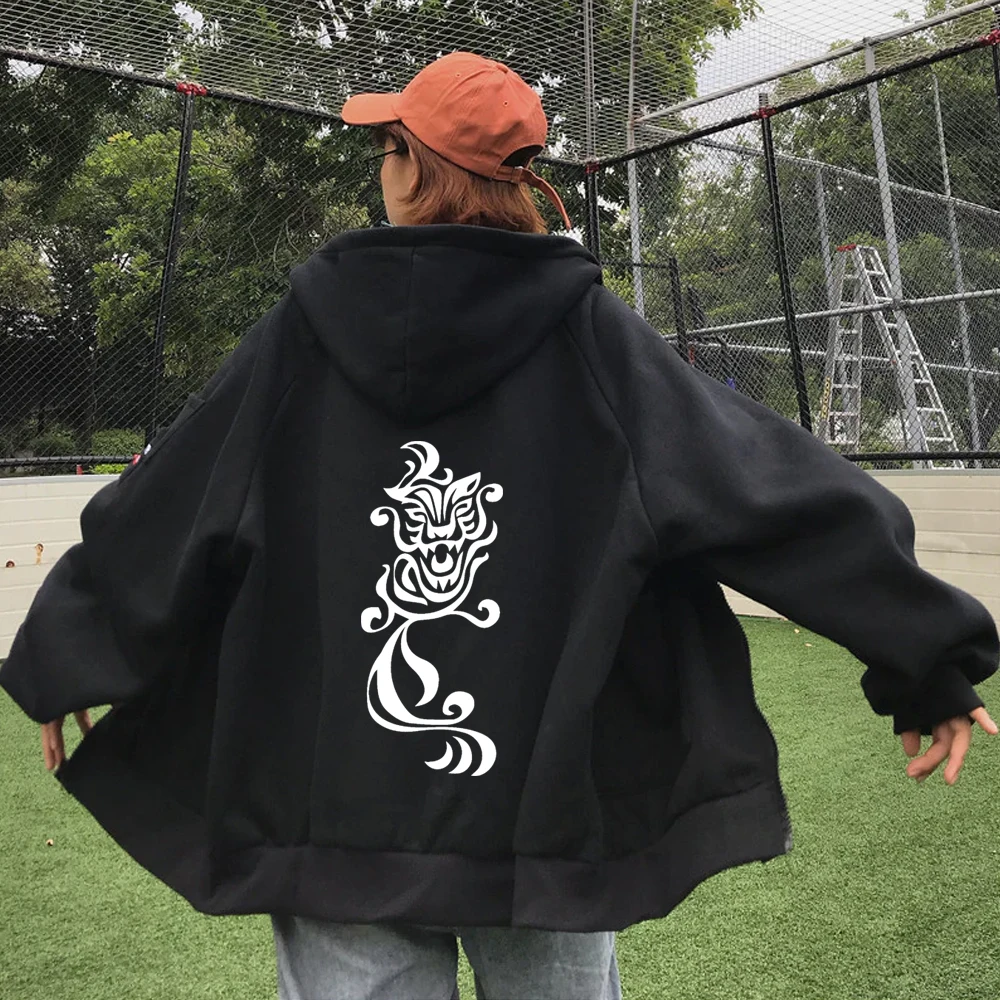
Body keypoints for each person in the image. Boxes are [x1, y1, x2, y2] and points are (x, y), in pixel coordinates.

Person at [1, 51, 997, 1000]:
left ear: (410, 168)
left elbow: (177, 500)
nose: (380, 166)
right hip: (545, 814)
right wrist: (923, 657)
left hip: (336, 811)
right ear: (517, 185)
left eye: (387, 146)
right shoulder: (594, 339)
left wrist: (75, 645)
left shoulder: (302, 335)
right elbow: (769, 490)